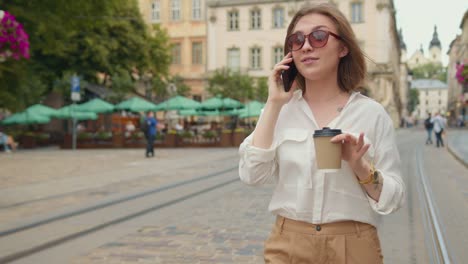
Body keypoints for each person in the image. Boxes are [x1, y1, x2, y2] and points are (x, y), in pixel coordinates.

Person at [238, 3, 405, 263]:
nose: (306, 46)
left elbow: (393, 199)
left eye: (318, 36)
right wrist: (273, 103)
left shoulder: (372, 114)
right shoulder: (279, 111)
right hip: (288, 243)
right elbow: (251, 175)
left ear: (343, 47)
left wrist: (361, 167)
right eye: (297, 39)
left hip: (354, 244)